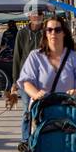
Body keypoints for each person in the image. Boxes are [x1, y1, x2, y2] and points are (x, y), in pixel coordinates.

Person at [18, 17, 76, 103]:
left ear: (64, 33)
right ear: (45, 33)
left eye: (57, 30)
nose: (53, 33)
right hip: (42, 110)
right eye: (49, 30)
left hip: (67, 111)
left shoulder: (74, 57)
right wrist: (36, 94)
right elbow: (26, 81)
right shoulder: (35, 56)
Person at [6, 10, 45, 144]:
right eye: (34, 14)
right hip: (25, 79)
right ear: (29, 16)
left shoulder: (46, 32)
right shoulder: (22, 33)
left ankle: (41, 137)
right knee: (27, 109)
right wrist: (15, 81)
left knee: (42, 109)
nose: (37, 17)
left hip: (42, 78)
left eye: (40, 14)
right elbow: (17, 57)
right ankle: (25, 139)